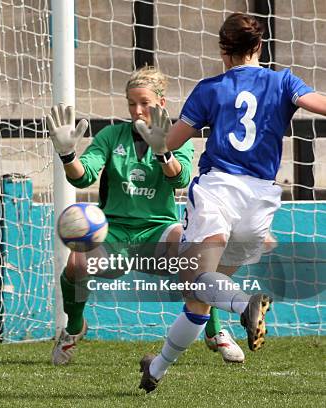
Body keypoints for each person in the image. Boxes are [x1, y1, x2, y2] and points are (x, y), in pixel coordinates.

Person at [135, 13, 326, 393]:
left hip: (218, 190)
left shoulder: (210, 89)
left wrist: (158, 144)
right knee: (200, 298)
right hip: (261, 199)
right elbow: (317, 103)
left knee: (194, 280)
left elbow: (170, 142)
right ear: (259, 47)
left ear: (223, 49)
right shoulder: (283, 81)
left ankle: (245, 305)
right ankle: (154, 371)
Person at [46, 66, 245, 366]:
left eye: (144, 103)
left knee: (196, 253)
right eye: (131, 103)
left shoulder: (178, 137)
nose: (137, 110)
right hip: (113, 233)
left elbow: (180, 180)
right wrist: (67, 155)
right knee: (76, 263)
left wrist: (163, 151)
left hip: (159, 232)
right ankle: (74, 328)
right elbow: (82, 177)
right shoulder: (112, 136)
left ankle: (214, 331)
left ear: (161, 104)